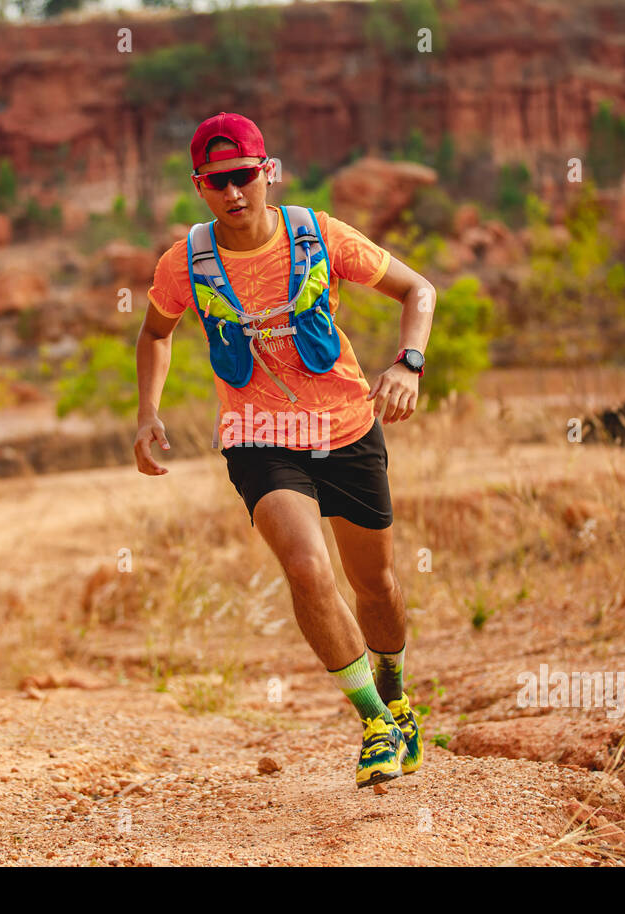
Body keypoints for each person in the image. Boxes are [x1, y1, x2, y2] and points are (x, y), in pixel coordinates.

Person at [133, 112, 436, 788]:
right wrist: (149, 412)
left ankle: (395, 691)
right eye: (217, 183)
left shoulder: (317, 235)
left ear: (267, 172)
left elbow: (419, 290)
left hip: (347, 426)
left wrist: (408, 364)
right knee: (305, 567)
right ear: (199, 186)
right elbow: (155, 333)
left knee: (376, 586)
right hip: (258, 438)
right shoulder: (185, 260)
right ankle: (375, 724)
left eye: (243, 177)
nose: (233, 193)